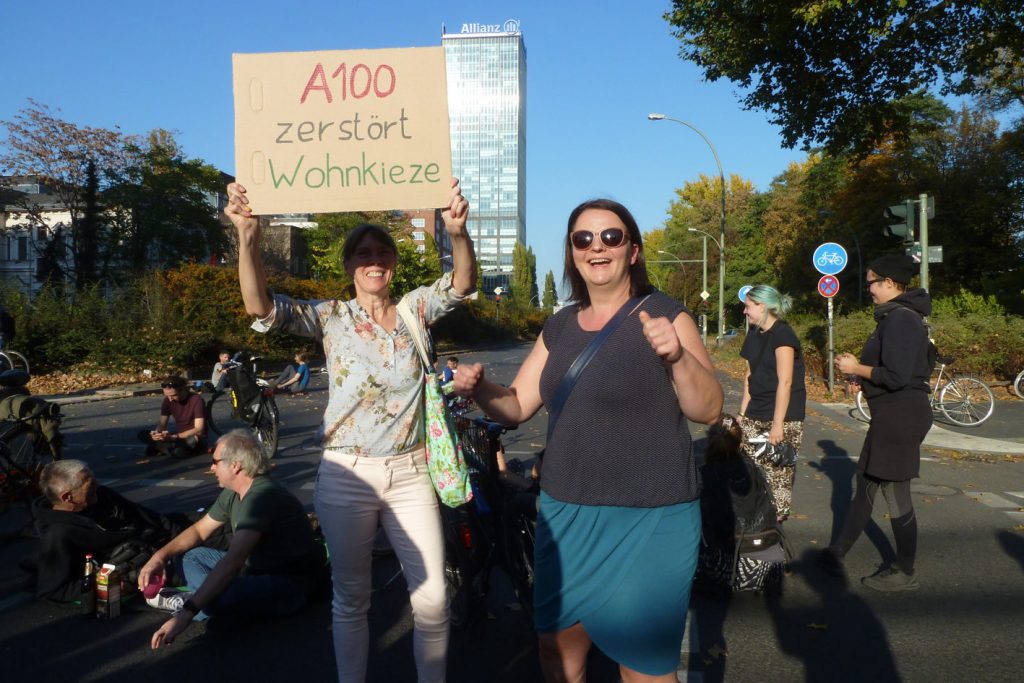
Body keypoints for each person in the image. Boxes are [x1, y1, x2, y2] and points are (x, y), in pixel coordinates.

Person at [454, 198, 722, 682]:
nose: (597, 247)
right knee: (557, 654)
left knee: (643, 669)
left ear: (633, 251)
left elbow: (708, 409)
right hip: (566, 515)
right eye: (584, 238)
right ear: (573, 252)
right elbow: (516, 406)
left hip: (651, 517)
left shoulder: (664, 314)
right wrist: (480, 391)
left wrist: (678, 357)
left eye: (611, 237)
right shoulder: (559, 325)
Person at [225, 178, 476, 683]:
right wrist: (247, 237)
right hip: (346, 475)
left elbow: (463, 284)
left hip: (411, 472)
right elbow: (260, 308)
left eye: (382, 252)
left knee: (432, 601)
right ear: (348, 266)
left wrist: (457, 233)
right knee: (351, 599)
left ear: (394, 263)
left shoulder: (415, 310)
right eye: (363, 253)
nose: (374, 259)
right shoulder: (331, 317)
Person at [140, 430, 327, 648]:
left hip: (289, 580)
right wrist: (159, 557)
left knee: (222, 598)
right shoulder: (234, 492)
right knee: (191, 557)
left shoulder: (260, 497)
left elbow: (233, 562)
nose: (211, 468)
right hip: (255, 569)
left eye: (215, 461)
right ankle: (210, 598)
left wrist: (185, 615)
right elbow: (199, 531)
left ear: (235, 465)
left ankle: (198, 601)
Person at [819, 253, 932, 592]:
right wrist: (862, 380)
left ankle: (905, 569)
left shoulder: (901, 319)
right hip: (891, 413)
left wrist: (856, 369)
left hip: (901, 416)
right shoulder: (894, 317)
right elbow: (891, 372)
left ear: (889, 282)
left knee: (895, 494)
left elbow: (897, 376)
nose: (867, 288)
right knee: (866, 483)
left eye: (871, 282)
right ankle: (836, 552)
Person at [32, 460, 196, 602]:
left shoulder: (102, 496)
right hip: (146, 565)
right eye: (90, 483)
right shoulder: (58, 533)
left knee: (213, 524)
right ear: (68, 497)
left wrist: (184, 536)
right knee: (207, 566)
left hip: (163, 542)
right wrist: (104, 586)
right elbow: (53, 589)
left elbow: (147, 516)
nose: (98, 484)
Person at [737, 285, 806, 521]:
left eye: (747, 306)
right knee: (751, 475)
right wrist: (742, 414)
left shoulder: (783, 334)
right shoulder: (754, 333)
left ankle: (774, 537)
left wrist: (778, 425)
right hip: (755, 412)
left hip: (782, 417)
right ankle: (755, 532)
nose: (744, 312)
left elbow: (785, 381)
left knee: (777, 480)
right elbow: (749, 376)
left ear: (762, 306)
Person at [696, 414, 780, 592]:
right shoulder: (754, 469)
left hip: (724, 569)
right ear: (740, 442)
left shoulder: (705, 474)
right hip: (767, 566)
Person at [137, 375, 207, 459]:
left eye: (173, 395)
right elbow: (162, 424)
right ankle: (166, 448)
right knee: (143, 434)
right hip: (176, 437)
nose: (170, 399)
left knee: (189, 442)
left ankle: (162, 448)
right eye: (167, 396)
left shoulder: (196, 399)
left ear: (182, 390)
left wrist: (175, 436)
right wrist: (157, 434)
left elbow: (199, 429)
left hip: (191, 437)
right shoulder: (167, 400)